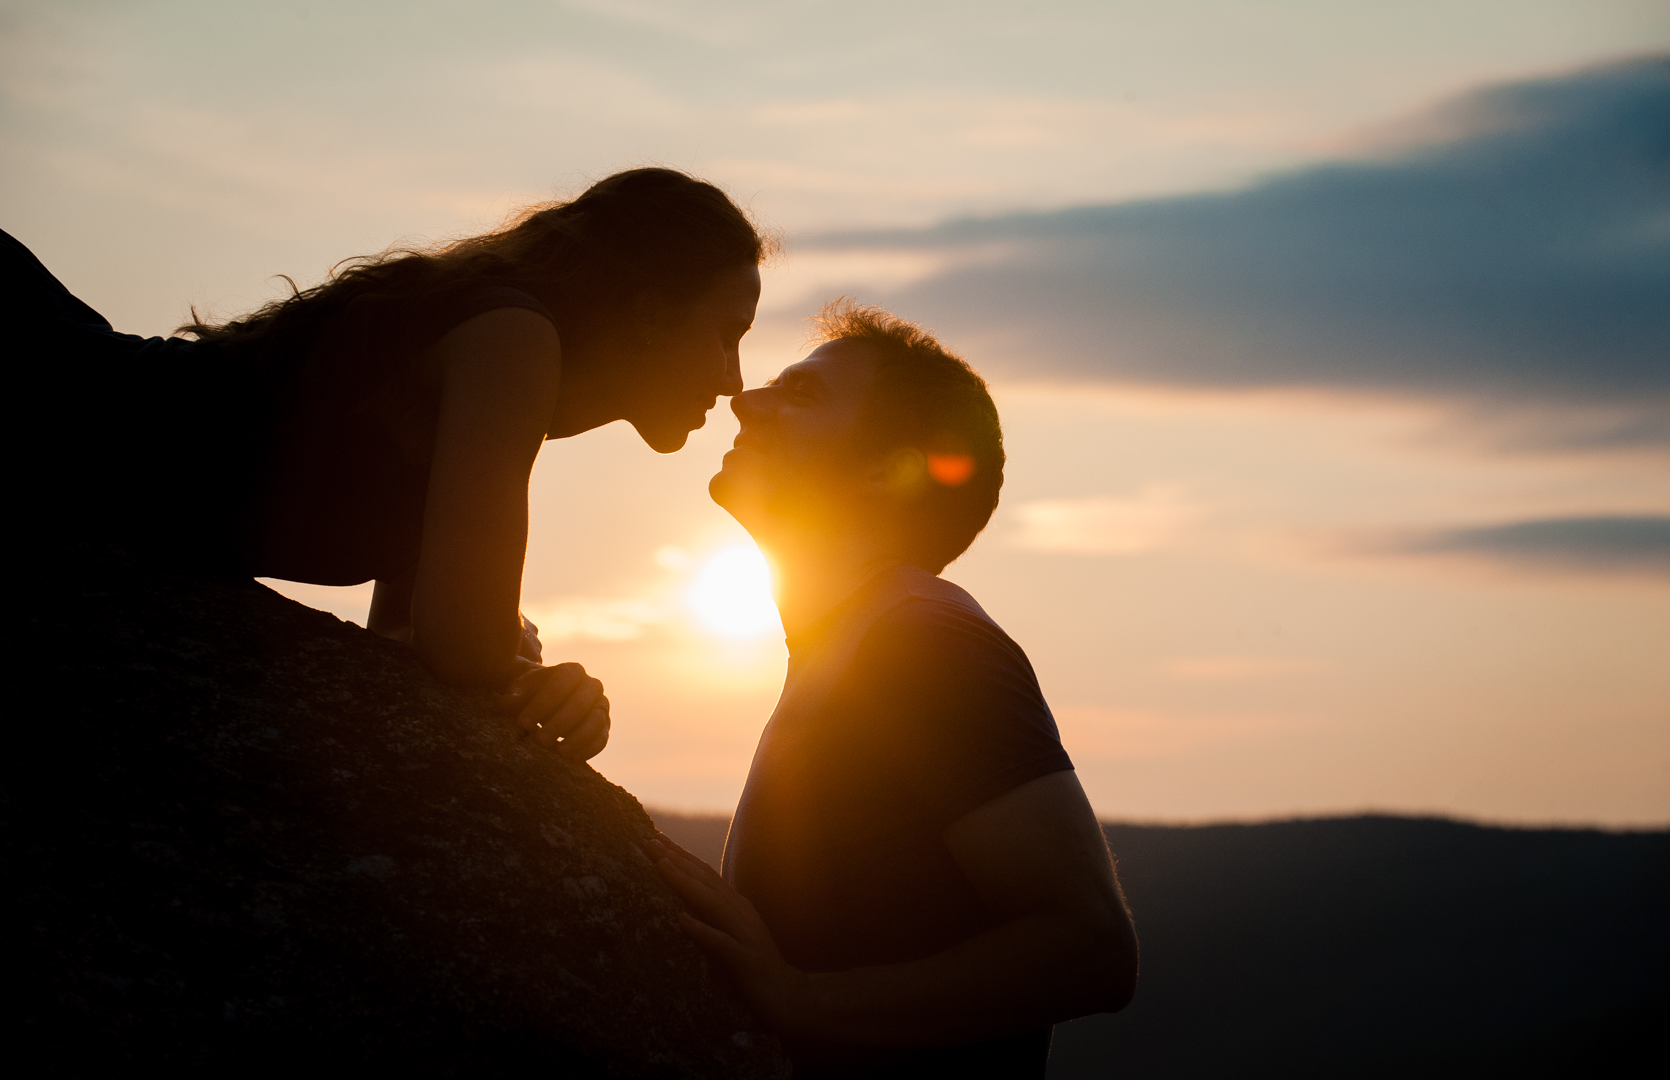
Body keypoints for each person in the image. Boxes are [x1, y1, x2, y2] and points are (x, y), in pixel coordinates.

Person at [12, 168, 770, 757]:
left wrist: (504, 652)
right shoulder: (513, 339)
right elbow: (462, 647)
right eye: (726, 334)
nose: (733, 378)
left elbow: (414, 646)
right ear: (646, 315)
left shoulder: (505, 368)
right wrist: (536, 672)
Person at [646, 303, 1137, 1077]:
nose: (745, 400)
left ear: (886, 472)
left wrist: (805, 1001)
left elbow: (1090, 947)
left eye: (800, 396)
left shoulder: (923, 643)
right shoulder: (853, 642)